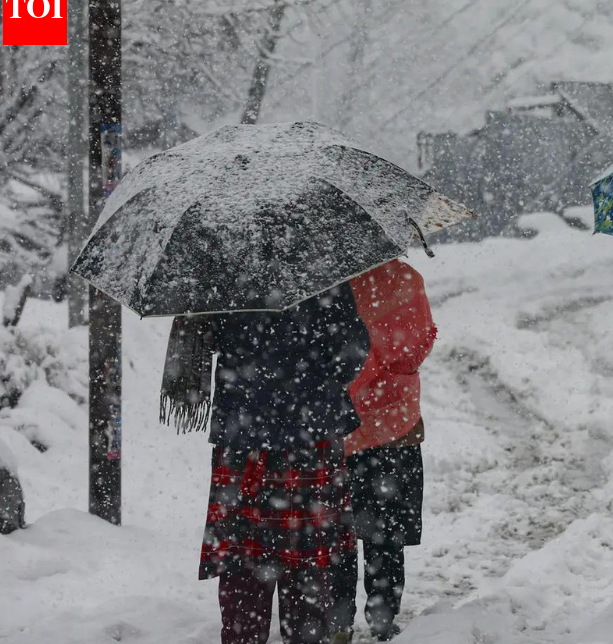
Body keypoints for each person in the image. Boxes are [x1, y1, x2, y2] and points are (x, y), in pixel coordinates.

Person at [160, 284, 369, 644]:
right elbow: (351, 353)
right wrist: (308, 373)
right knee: (306, 562)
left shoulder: (224, 271)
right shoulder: (320, 272)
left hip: (243, 437)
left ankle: (244, 635)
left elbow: (204, 337)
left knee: (244, 560)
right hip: (309, 437)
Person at [329, 259, 437, 643]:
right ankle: (382, 619)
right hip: (394, 423)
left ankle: (337, 621)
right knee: (386, 531)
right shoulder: (405, 279)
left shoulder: (327, 281)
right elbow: (417, 349)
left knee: (337, 531)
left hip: (338, 424)